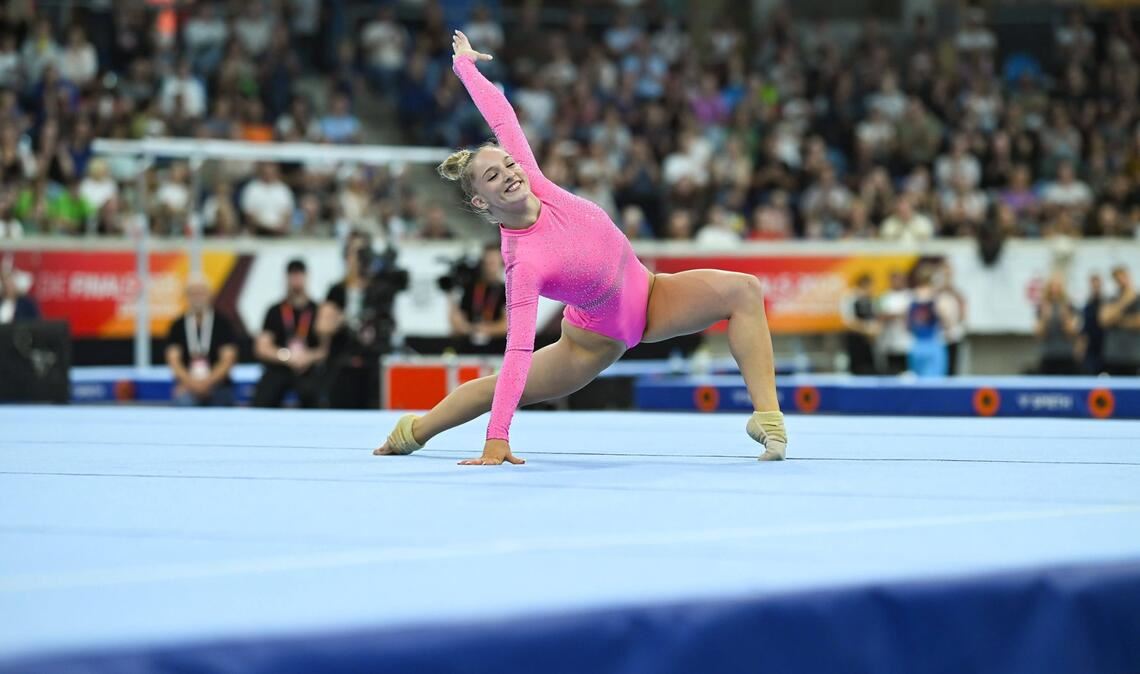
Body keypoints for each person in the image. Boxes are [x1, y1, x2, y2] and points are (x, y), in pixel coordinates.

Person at [376, 32, 785, 465]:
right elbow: (518, 351)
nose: (510, 175)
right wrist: (497, 438)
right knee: (494, 387)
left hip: (651, 295)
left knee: (744, 290)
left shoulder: (537, 182)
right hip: (592, 343)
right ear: (481, 202)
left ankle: (768, 420)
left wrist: (465, 68)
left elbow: (502, 119)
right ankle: (412, 432)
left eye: (508, 164)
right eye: (493, 178)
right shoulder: (523, 262)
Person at [253, 259, 327, 408]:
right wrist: (287, 357)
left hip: (308, 368)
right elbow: (262, 348)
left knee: (314, 395)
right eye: (292, 275)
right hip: (280, 367)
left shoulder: (318, 310)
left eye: (299, 275)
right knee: (263, 397)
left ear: (306, 277)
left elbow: (325, 349)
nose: (296, 280)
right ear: (286, 278)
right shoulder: (274, 310)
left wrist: (308, 357)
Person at [165, 277, 238, 406]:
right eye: (193, 293)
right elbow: (173, 360)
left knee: (221, 402)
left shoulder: (222, 323)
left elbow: (228, 360)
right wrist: (192, 383)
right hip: (188, 385)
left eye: (201, 293)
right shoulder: (177, 325)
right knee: (183, 401)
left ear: (210, 295)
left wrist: (206, 383)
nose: (197, 297)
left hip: (218, 385)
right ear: (186, 296)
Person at [449, 243, 508, 351]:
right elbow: (456, 322)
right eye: (487, 262)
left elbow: (507, 325)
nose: (490, 266)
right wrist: (471, 329)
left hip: (497, 349)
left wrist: (487, 329)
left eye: (493, 262)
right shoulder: (470, 288)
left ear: (501, 263)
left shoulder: (507, 291)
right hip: (468, 348)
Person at [907, 266, 948, 377]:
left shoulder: (911, 297)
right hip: (932, 345)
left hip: (916, 347)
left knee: (918, 386)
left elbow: (908, 325)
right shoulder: (936, 297)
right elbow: (946, 322)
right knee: (934, 385)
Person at [1034, 276, 1080, 375]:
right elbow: (1038, 334)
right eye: (1052, 286)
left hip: (1066, 355)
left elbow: (1072, 333)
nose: (1055, 290)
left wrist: (1065, 316)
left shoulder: (1070, 306)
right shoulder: (1042, 307)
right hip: (1048, 355)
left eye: (1058, 286)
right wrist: (1045, 318)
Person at [1099, 266, 1140, 376]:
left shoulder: (1137, 298)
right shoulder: (1110, 298)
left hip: (1133, 356)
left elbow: (1138, 322)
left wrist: (1117, 320)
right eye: (1118, 278)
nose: (1121, 281)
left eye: (1123, 277)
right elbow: (1104, 320)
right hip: (1113, 356)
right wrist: (1125, 300)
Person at [840, 274, 878, 375]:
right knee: (857, 370)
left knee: (870, 370)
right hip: (855, 341)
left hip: (868, 343)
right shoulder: (850, 298)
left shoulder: (870, 300)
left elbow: (873, 319)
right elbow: (849, 322)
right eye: (871, 286)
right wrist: (866, 330)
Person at [877, 271, 913, 375]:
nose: (896, 282)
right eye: (894, 279)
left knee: (906, 373)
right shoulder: (885, 297)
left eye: (899, 279)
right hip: (889, 343)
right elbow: (880, 315)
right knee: (890, 372)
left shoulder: (909, 296)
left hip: (906, 342)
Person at [935, 261, 967, 375]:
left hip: (954, 335)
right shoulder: (937, 293)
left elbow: (963, 312)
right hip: (939, 337)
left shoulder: (956, 292)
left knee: (952, 368)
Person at [1077, 274, 1105, 374]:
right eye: (1093, 285)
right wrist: (1080, 347)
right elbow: (1084, 329)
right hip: (1091, 348)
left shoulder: (1107, 303)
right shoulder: (1087, 306)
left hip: (1105, 345)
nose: (1095, 287)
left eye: (1097, 285)